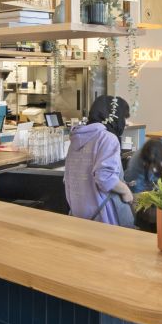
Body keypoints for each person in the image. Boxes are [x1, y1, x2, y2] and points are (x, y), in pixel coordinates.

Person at [64, 95, 135, 227]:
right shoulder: (108, 138)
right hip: (103, 216)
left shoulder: (76, 137)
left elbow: (68, 176)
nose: (125, 123)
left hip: (78, 214)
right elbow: (105, 177)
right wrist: (126, 191)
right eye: (124, 117)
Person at [125, 137, 162, 232]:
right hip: (142, 188)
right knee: (149, 215)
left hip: (158, 183)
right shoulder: (135, 167)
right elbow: (135, 199)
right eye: (152, 165)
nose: (154, 168)